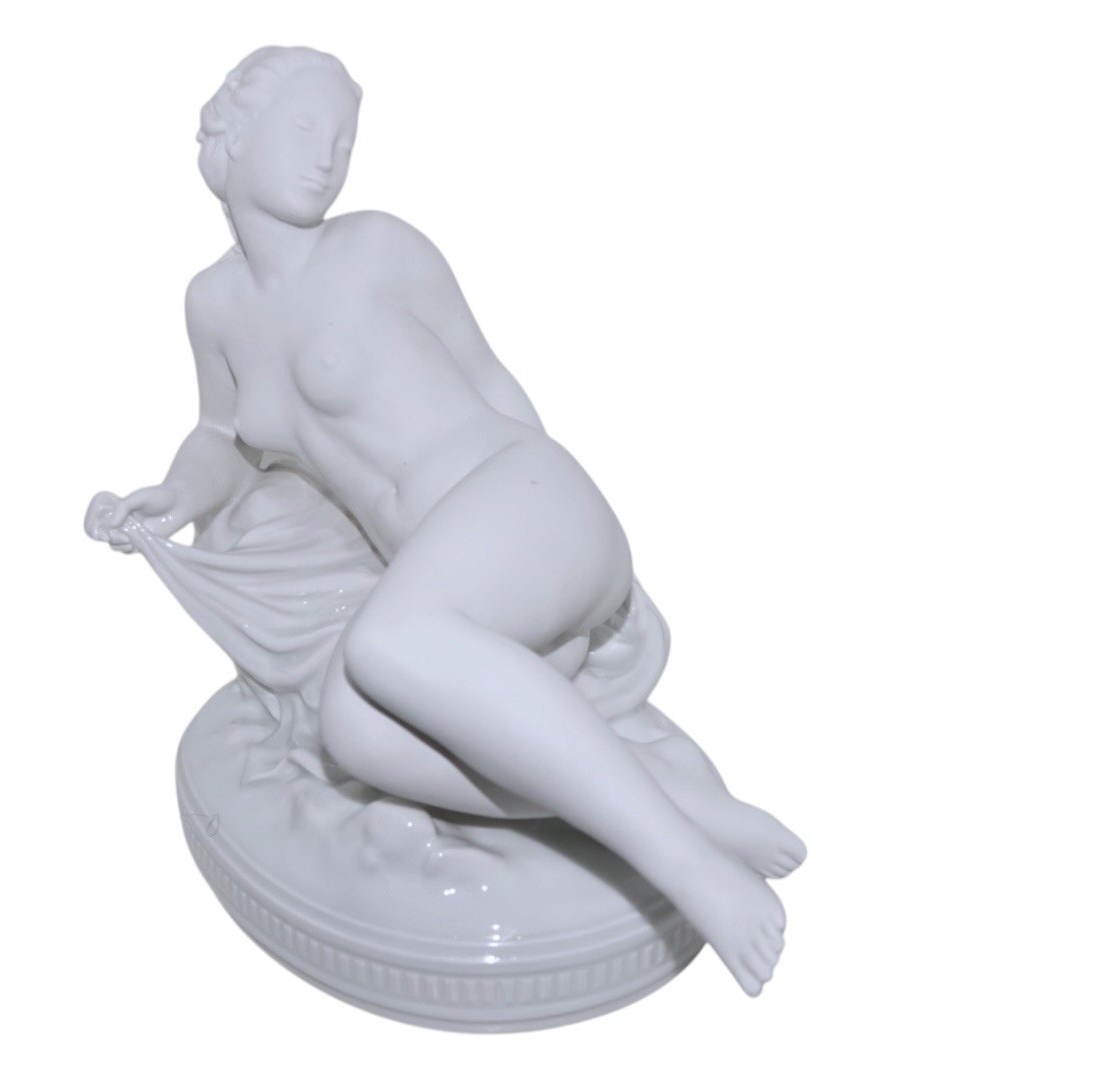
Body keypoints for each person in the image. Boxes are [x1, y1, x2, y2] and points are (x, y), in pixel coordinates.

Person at [85, 46, 804, 995]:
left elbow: (493, 381)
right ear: (236, 133)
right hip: (449, 587)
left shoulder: (377, 248)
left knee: (387, 644)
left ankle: (693, 869)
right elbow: (223, 435)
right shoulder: (212, 304)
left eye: (345, 137)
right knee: (355, 733)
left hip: (526, 505)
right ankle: (680, 805)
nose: (329, 155)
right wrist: (176, 494)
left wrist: (590, 575)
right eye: (305, 128)